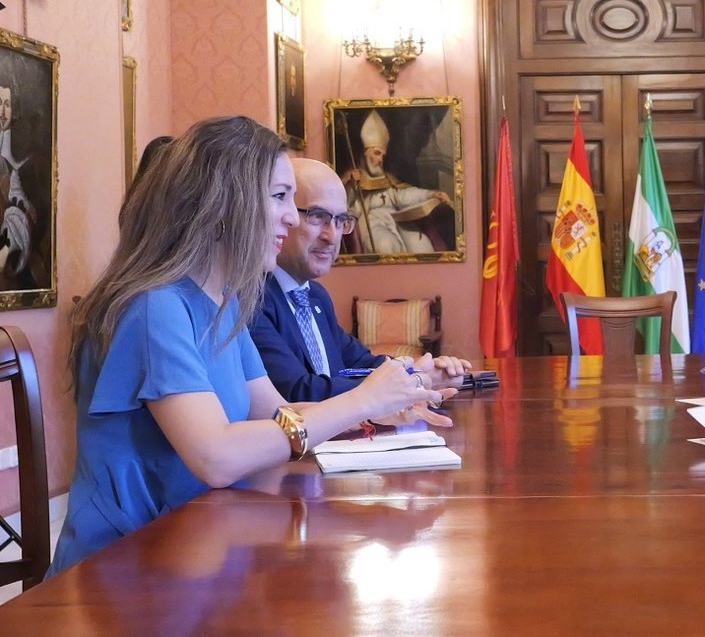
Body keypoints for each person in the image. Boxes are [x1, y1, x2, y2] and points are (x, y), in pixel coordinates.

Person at [49, 116, 451, 576]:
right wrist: (363, 398)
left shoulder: (225, 303)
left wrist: (374, 412)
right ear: (222, 202)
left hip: (202, 547)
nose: (292, 216)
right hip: (129, 567)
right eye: (279, 196)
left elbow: (277, 412)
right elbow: (217, 457)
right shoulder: (155, 306)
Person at [250, 157, 469, 412]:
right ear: (283, 215)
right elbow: (298, 391)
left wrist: (419, 370)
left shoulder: (315, 296)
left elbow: (360, 361)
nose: (332, 236)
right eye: (318, 216)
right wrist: (413, 381)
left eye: (340, 220)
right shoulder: (251, 298)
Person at [343, 109, 453, 254]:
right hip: (372, 224)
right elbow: (346, 205)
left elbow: (403, 195)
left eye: (383, 155)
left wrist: (431, 194)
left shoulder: (388, 179)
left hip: (396, 221)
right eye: (376, 153)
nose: (380, 159)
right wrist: (350, 184)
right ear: (365, 154)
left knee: (421, 244)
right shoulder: (355, 179)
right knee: (385, 245)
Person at [0, 80, 37, 283]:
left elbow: (16, 190)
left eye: (7, 104)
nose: (2, 111)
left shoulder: (20, 152)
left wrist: (22, 202)